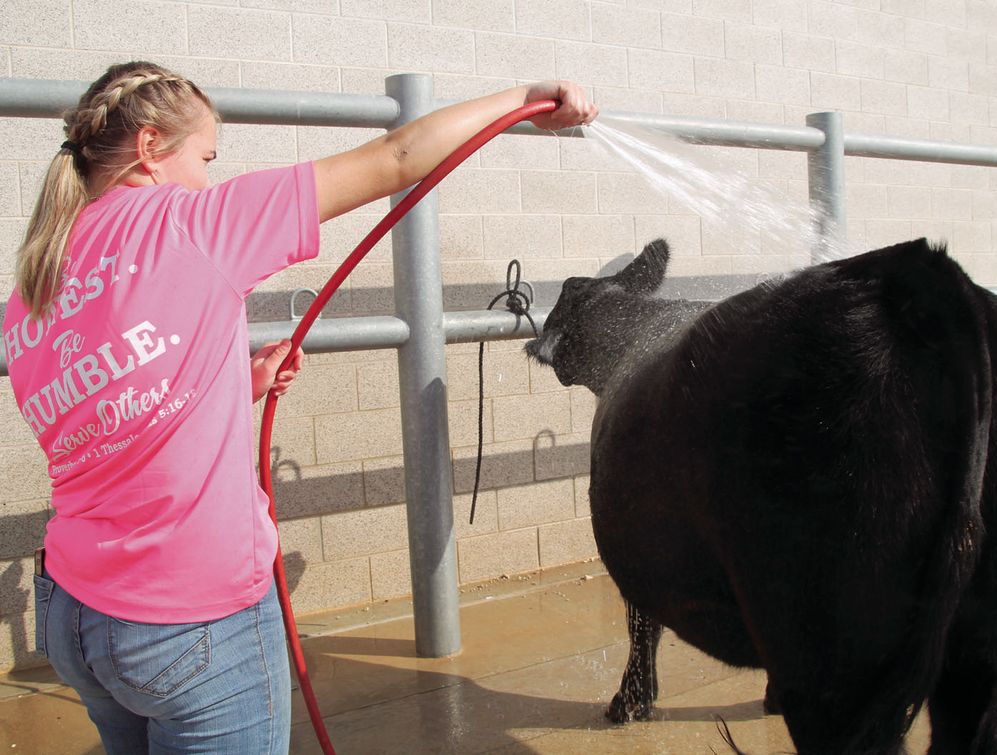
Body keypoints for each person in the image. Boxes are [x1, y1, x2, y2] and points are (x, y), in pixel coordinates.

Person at [3, 61, 597, 753]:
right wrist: (522, 98)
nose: (209, 177)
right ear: (150, 149)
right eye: (205, 157)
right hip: (192, 613)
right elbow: (396, 156)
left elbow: (105, 419)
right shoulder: (193, 223)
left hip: (81, 617)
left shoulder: (36, 282)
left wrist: (240, 382)